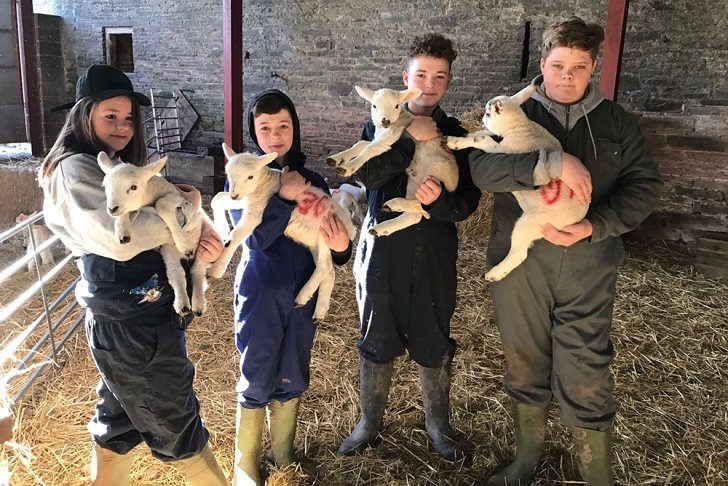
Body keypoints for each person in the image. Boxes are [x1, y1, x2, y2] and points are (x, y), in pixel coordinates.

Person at [468, 17, 663, 485]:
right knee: (524, 357)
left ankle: (596, 473)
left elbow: (644, 187)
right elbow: (479, 167)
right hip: (522, 264)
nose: (567, 76)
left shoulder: (615, 122)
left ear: (593, 66)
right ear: (542, 64)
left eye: (579, 66)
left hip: (588, 264)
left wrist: (595, 225)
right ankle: (524, 461)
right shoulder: (514, 111)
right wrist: (548, 162)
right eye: (558, 65)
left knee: (585, 364)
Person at [39, 64, 227, 485]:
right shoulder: (75, 170)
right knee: (179, 429)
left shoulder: (116, 165)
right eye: (111, 116)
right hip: (132, 323)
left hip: (136, 314)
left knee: (117, 424)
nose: (122, 126)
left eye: (127, 118)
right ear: (84, 114)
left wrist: (189, 225)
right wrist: (190, 211)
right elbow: (117, 236)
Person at [338, 33, 481, 461]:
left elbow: (466, 203)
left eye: (439, 76)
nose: (429, 84)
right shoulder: (378, 124)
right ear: (406, 79)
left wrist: (439, 201)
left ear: (448, 82)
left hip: (434, 255)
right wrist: (406, 136)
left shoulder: (455, 134)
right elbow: (369, 176)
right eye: (421, 75)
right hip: (383, 254)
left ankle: (438, 427)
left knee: (433, 337)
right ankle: (369, 424)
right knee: (376, 336)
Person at [230, 89, 353, 485]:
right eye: (264, 127)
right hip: (262, 294)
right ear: (254, 132)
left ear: (295, 128)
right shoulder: (245, 176)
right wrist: (282, 198)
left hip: (303, 294)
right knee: (257, 367)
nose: (275, 135)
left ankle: (283, 452)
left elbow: (332, 241)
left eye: (283, 125)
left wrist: (340, 248)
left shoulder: (314, 179)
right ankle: (246, 461)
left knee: (292, 369)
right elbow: (253, 239)